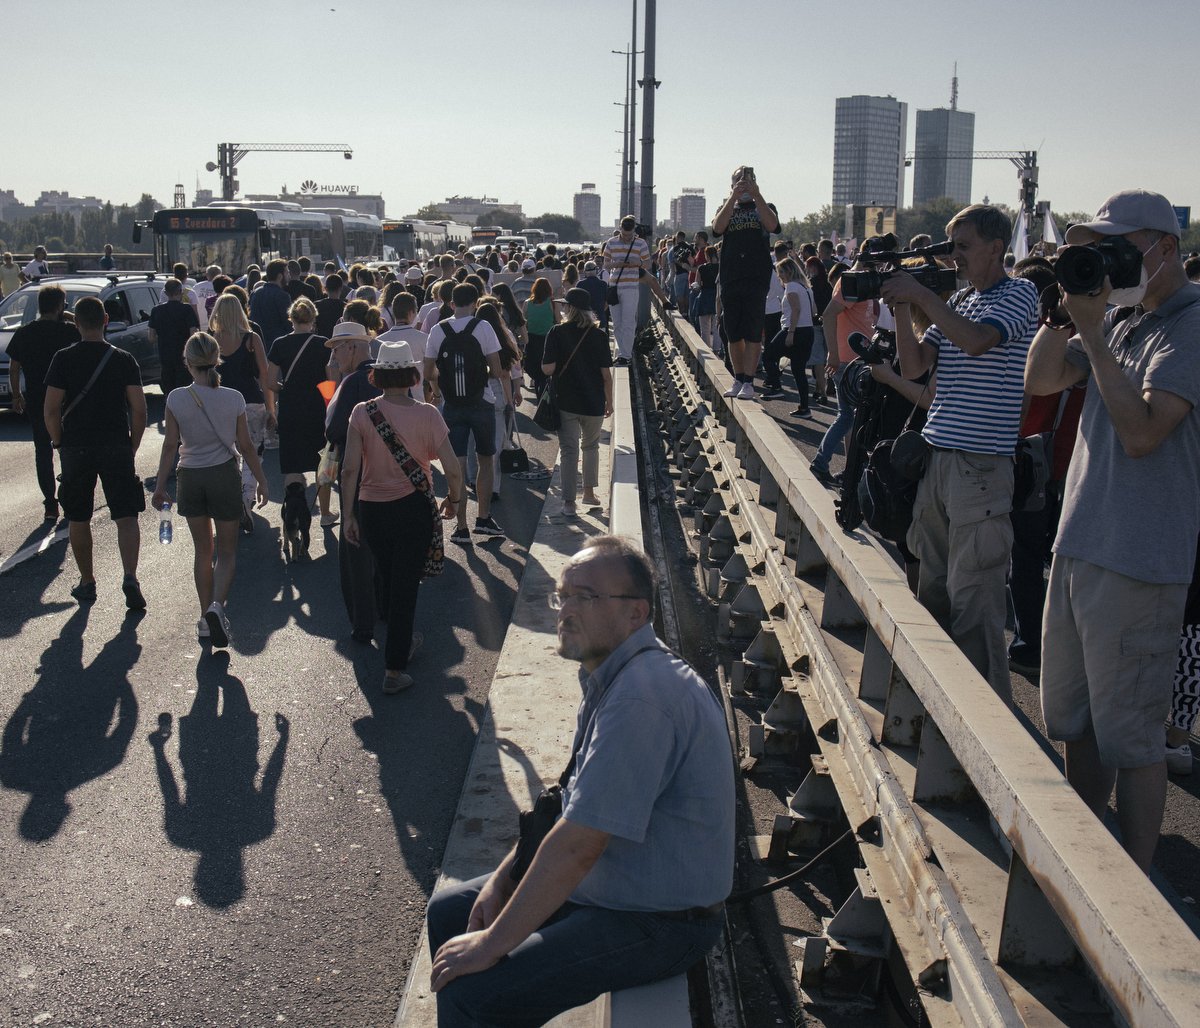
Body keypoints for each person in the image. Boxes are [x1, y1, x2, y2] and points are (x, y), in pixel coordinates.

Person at [426, 536, 734, 1025]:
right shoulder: (617, 676)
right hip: (615, 888)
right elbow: (567, 806)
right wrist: (505, 880)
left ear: (636, 613)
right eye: (562, 595)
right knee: (449, 912)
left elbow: (578, 844)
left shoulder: (643, 699)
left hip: (662, 922)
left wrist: (492, 943)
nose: (564, 610)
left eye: (584, 597)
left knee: (476, 991)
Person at [1025, 188, 1200, 872]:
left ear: (1161, 247)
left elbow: (1143, 433)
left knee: (1133, 739)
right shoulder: (1121, 320)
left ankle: (1136, 888)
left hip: (1138, 558)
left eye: (1117, 249)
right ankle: (1087, 865)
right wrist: (1060, 316)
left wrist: (1093, 334)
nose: (1107, 263)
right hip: (1080, 543)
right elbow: (1040, 381)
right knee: (1076, 723)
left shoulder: (1188, 324)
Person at [880, 204, 1037, 703]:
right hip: (941, 458)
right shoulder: (962, 301)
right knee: (933, 591)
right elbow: (915, 366)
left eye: (963, 247)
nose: (956, 258)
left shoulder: (1019, 293)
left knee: (975, 604)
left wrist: (923, 294)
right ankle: (939, 708)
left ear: (997, 247)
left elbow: (976, 344)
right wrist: (902, 308)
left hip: (981, 467)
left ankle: (990, 726)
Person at [342, 340, 462, 692]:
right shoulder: (428, 414)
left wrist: (349, 514)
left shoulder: (362, 413)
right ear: (412, 374)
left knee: (388, 575)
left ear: (377, 374)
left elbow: (350, 469)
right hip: (413, 508)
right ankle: (394, 668)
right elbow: (452, 469)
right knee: (406, 585)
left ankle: (399, 640)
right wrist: (454, 500)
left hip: (371, 509)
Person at [151, 332, 269, 646]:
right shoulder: (233, 398)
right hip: (223, 475)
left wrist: (161, 485)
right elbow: (245, 445)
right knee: (227, 552)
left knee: (203, 551)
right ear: (217, 359)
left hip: (190, 475)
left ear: (187, 362)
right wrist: (261, 479)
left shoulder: (176, 397)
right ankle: (218, 605)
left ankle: (205, 617)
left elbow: (169, 446)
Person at [43, 296, 147, 609]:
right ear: (105, 321)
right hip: (116, 443)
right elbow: (139, 409)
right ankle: (130, 576)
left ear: (76, 323)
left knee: (78, 516)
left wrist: (59, 441)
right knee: (126, 514)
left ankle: (87, 581)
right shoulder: (123, 358)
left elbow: (50, 410)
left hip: (76, 446)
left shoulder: (63, 358)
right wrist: (133, 443)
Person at [423, 284, 512, 544]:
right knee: (485, 460)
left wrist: (448, 379)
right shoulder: (483, 328)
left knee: (457, 465)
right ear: (475, 303)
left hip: (451, 405)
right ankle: (483, 518)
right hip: (481, 402)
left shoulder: (438, 330)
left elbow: (428, 372)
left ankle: (460, 527)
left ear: (451, 303)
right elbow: (496, 369)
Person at [324, 326, 382, 642]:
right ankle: (386, 608)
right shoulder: (389, 377)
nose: (333, 356)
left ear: (353, 348)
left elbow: (334, 431)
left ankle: (363, 623)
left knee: (355, 549)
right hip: (394, 477)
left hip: (360, 477)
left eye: (337, 349)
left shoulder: (352, 384)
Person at [7, 284, 81, 520]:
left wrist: (16, 394)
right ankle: (69, 497)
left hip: (37, 400)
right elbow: (92, 326)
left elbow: (14, 366)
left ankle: (50, 503)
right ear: (60, 306)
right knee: (68, 450)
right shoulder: (70, 331)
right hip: (68, 401)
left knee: (42, 452)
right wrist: (68, 315)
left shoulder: (24, 332)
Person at [541, 288, 613, 517]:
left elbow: (547, 369)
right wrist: (609, 401)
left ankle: (569, 503)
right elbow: (606, 375)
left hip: (566, 401)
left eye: (564, 305)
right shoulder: (599, 335)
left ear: (569, 309)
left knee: (569, 451)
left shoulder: (556, 332)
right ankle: (589, 494)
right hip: (593, 402)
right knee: (591, 447)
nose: (562, 308)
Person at [208, 293, 275, 533]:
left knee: (229, 453)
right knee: (253, 451)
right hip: (251, 401)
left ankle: (235, 495)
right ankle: (247, 496)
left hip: (221, 404)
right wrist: (271, 408)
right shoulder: (251, 339)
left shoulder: (211, 340)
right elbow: (264, 375)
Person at [712, 167, 781, 398]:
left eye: (747, 180)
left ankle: (749, 382)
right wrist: (733, 197)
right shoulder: (727, 208)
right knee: (732, 333)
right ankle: (738, 378)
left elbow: (773, 226)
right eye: (738, 180)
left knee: (752, 332)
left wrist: (756, 195)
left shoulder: (765, 206)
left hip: (756, 277)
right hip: (731, 276)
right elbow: (717, 228)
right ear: (731, 184)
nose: (743, 183)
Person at [810, 263, 878, 482]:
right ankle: (823, 464)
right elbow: (828, 314)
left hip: (855, 358)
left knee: (850, 417)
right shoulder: (852, 282)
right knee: (850, 417)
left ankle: (841, 467)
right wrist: (833, 353)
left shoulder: (863, 283)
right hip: (849, 361)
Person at [265, 298, 332, 520]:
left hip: (290, 408)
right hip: (316, 410)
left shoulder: (279, 344)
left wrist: (283, 389)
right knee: (321, 463)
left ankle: (292, 512)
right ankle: (324, 513)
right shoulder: (323, 343)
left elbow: (270, 381)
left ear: (291, 318)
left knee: (293, 463)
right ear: (313, 318)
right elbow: (330, 382)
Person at [760, 258, 816, 407]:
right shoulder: (806, 287)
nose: (780, 276)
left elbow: (796, 310)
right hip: (807, 330)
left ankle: (776, 385)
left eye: (781, 273)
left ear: (789, 272)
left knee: (767, 356)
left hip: (793, 330)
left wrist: (791, 333)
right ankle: (804, 407)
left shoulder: (791, 286)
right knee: (799, 371)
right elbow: (814, 310)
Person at [148, 278, 200, 422]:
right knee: (185, 392)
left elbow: (151, 337)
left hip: (165, 357)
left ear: (165, 292)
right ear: (180, 292)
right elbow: (193, 334)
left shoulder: (156, 310)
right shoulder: (187, 309)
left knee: (169, 393)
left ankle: (172, 422)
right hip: (184, 358)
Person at [602, 216, 651, 367]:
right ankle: (624, 352)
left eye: (630, 235)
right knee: (617, 323)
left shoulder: (640, 243)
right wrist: (617, 263)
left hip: (631, 286)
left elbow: (648, 264)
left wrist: (639, 263)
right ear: (620, 229)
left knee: (628, 321)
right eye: (625, 234)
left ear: (634, 231)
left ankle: (625, 355)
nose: (627, 237)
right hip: (615, 285)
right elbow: (606, 265)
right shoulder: (611, 243)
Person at [522, 276, 557, 397]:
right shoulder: (552, 303)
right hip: (548, 340)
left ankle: (539, 392)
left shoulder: (527, 303)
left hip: (532, 341)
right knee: (547, 368)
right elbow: (558, 320)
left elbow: (523, 322)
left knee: (535, 369)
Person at [249, 259, 293, 350]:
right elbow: (287, 322)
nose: (289, 276)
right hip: (277, 345)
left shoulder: (256, 293)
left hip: (257, 343)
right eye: (287, 273)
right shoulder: (282, 296)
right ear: (280, 276)